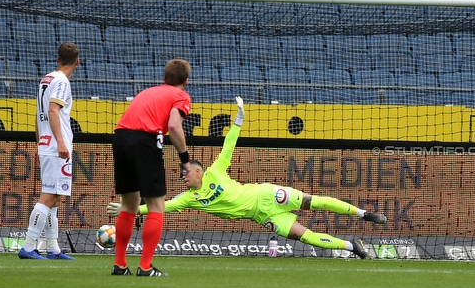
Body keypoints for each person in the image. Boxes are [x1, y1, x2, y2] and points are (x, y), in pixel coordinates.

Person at [107, 97, 385, 258]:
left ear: (199, 170)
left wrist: (239, 119)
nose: (183, 178)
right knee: (306, 237)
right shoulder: (189, 199)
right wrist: (129, 209)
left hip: (266, 193)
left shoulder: (216, 170)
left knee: (315, 202)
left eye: (185, 173)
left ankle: (364, 214)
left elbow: (228, 145)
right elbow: (161, 207)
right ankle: (353, 247)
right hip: (263, 215)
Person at [110, 58, 192, 277]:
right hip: (144, 140)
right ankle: (145, 267)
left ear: (164, 78)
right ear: (185, 82)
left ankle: (120, 265)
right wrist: (185, 159)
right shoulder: (181, 95)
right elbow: (174, 125)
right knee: (157, 205)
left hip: (120, 138)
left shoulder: (147, 92)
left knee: (129, 204)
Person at [18, 42, 80, 261]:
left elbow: (38, 115)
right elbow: (53, 112)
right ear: (77, 61)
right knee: (48, 197)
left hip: (47, 143)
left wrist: (40, 143)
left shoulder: (46, 78)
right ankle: (28, 246)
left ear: (57, 59)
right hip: (56, 146)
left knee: (55, 197)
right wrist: (61, 142)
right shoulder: (62, 81)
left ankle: (53, 248)